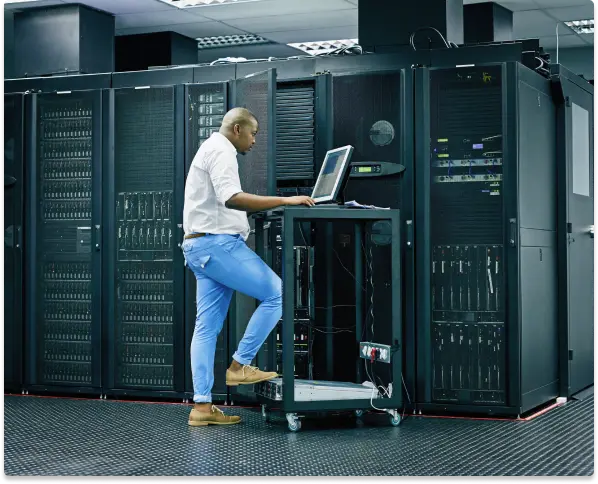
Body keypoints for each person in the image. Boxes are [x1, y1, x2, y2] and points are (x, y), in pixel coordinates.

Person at [182, 107, 315, 427]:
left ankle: (201, 407)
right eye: (253, 133)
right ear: (238, 129)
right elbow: (232, 198)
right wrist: (287, 201)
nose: (255, 140)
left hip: (199, 246)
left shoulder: (211, 148)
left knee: (206, 327)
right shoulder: (222, 150)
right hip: (216, 246)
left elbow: (222, 203)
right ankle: (240, 365)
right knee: (277, 293)